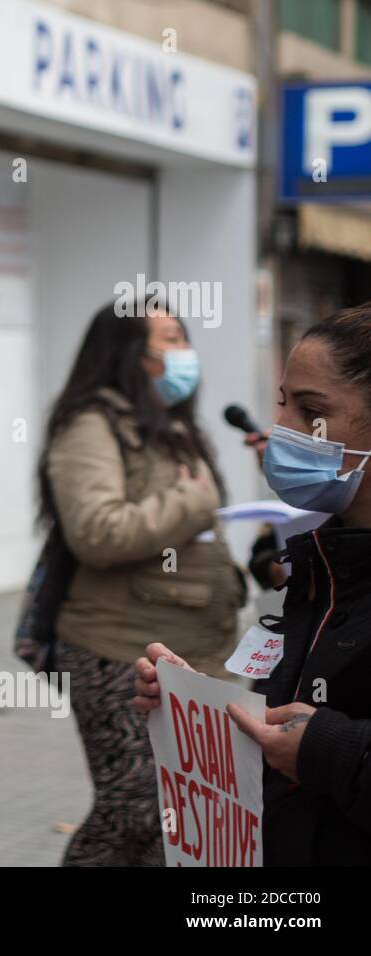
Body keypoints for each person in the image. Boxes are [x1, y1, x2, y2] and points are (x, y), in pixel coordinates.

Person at [135, 301, 371, 866]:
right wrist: (201, 706)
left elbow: (318, 740)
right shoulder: (326, 557)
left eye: (313, 412)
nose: (283, 432)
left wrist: (329, 750)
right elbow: (291, 719)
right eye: (285, 403)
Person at [39, 297, 244, 867]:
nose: (184, 353)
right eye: (168, 339)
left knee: (172, 817)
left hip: (198, 653)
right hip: (118, 651)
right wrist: (194, 499)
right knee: (138, 812)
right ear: (129, 353)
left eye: (183, 337)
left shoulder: (172, 428)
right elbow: (96, 531)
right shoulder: (91, 425)